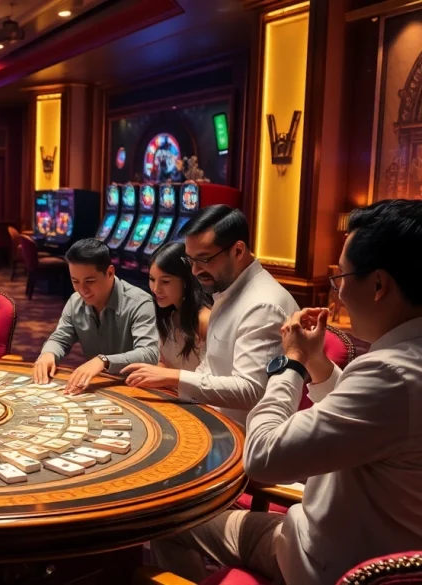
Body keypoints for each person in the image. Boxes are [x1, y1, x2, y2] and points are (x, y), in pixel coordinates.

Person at [153, 199, 422, 585]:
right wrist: (317, 363)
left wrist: (290, 363)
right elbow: (362, 417)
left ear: (378, 285)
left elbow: (262, 457)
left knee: (168, 521)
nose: (338, 292)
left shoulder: (389, 375)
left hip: (326, 562)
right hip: (364, 541)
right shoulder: (401, 365)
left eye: (341, 276)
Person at [121, 205, 298, 428]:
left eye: (203, 260)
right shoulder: (227, 291)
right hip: (213, 416)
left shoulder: (262, 305)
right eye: (191, 261)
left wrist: (174, 377)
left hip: (246, 434)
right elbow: (210, 367)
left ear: (238, 251)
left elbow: (251, 390)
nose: (195, 271)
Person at [33, 238, 158, 392]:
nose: (82, 290)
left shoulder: (140, 303)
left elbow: (149, 354)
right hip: (98, 386)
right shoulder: (75, 301)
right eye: (75, 281)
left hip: (136, 388)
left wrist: (104, 361)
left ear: (110, 273)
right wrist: (48, 353)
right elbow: (60, 338)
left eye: (90, 281)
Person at [147, 242, 209, 371]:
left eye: (165, 281)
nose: (156, 289)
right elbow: (162, 363)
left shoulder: (205, 320)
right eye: (152, 279)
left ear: (186, 281)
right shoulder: (167, 314)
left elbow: (212, 377)